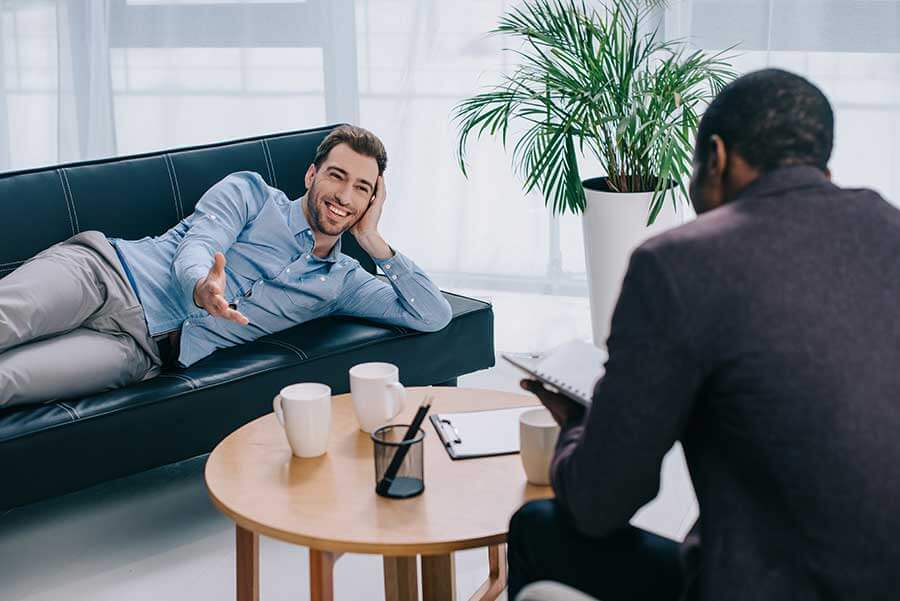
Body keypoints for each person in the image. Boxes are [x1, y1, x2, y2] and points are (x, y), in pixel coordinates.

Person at [508, 68, 900, 601]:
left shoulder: (681, 263)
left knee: (539, 527)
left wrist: (579, 425)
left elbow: (601, 504)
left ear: (716, 157)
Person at [0, 125, 452, 408]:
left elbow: (432, 314)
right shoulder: (250, 192)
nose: (344, 196)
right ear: (312, 175)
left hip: (139, 352)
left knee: (8, 381)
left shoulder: (341, 283)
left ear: (372, 200)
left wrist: (372, 240)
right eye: (336, 176)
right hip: (103, 274)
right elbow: (200, 243)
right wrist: (203, 285)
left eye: (361, 188)